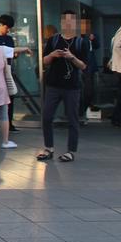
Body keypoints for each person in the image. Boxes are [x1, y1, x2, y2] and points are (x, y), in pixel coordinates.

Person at [37, 10, 89, 163]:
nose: (67, 24)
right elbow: (44, 61)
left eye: (71, 21)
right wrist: (53, 55)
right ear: (61, 23)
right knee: (46, 117)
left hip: (72, 86)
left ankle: (71, 151)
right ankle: (49, 148)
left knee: (73, 119)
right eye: (65, 21)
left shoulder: (81, 42)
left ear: (75, 23)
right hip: (53, 85)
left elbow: (84, 66)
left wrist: (72, 57)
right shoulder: (53, 40)